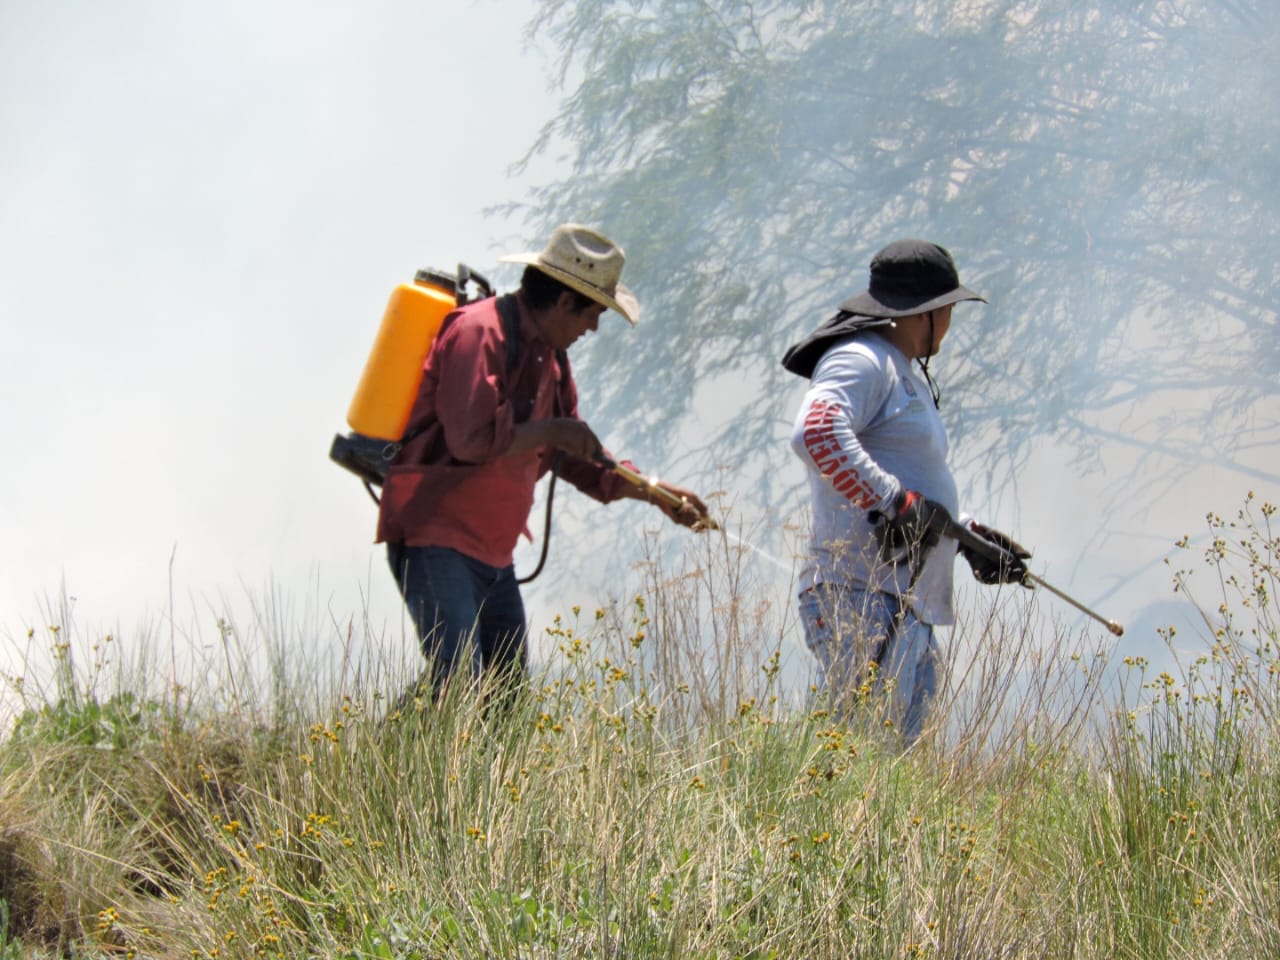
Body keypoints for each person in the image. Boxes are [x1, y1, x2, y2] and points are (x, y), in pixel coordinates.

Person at [376, 223, 710, 702]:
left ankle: (444, 771)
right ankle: (386, 768)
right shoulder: (479, 333)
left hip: (493, 555)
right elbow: (470, 439)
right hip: (436, 539)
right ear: (563, 301)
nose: (592, 327)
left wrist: (655, 492)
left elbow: (576, 457)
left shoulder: (551, 359)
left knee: (506, 698)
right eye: (592, 313)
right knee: (455, 684)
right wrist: (553, 430)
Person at [781, 239, 1031, 743]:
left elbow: (911, 486)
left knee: (893, 771)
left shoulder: (900, 371)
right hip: (861, 595)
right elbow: (817, 434)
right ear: (928, 312)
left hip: (899, 601)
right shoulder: (861, 359)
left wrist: (965, 538)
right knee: (865, 759)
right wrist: (898, 503)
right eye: (949, 309)